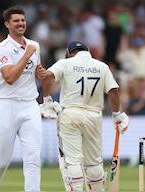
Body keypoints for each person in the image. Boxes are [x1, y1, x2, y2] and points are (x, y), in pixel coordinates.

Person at [38, 41, 129, 192]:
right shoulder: (101, 66)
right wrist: (116, 115)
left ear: (69, 52)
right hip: (93, 116)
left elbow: (47, 77)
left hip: (70, 114)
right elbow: (113, 91)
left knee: (73, 162)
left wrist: (47, 101)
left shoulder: (65, 63)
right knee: (93, 163)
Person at [0, 6, 44, 192]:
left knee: (33, 157)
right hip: (6, 106)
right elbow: (9, 78)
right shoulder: (2, 48)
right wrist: (26, 55)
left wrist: (42, 73)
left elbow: (36, 72)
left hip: (29, 105)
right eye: (16, 21)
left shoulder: (35, 45)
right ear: (7, 24)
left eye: (23, 20)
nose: (21, 23)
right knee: (2, 161)